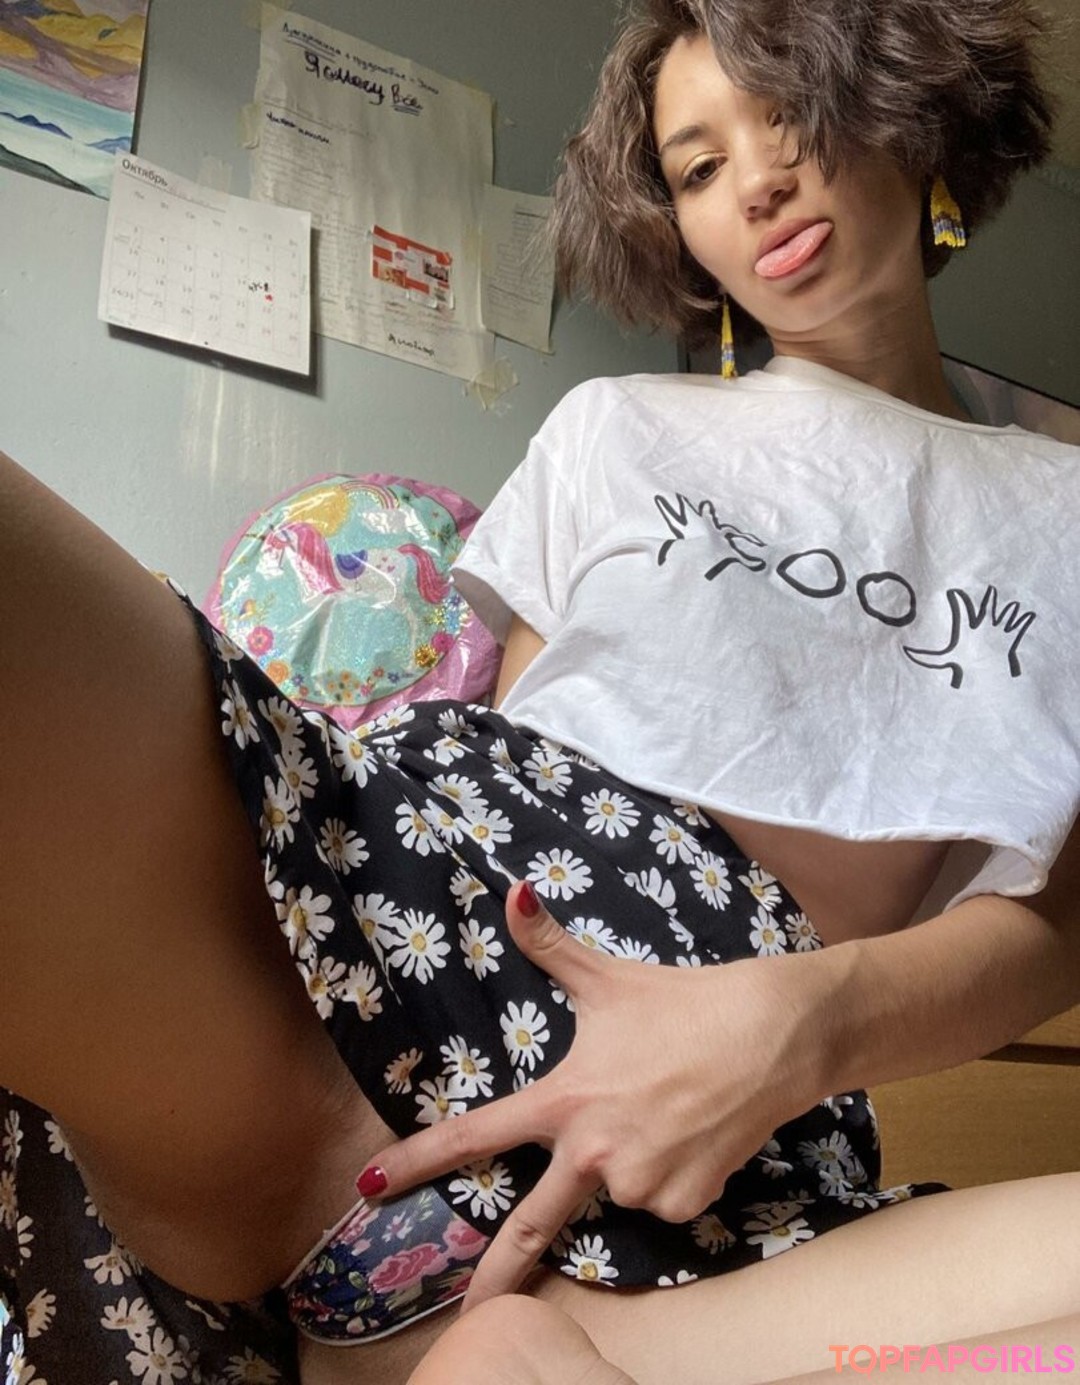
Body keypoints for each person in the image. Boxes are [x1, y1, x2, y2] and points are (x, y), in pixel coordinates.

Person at [2, 0, 1079, 1381]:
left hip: (704, 1146)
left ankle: (500, 1344)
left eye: (790, 113)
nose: (755, 182)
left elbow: (1059, 920)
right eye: (698, 168)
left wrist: (794, 1024)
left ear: (906, 111)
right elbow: (512, 759)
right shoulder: (616, 426)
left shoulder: (1061, 512)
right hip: (374, 905)